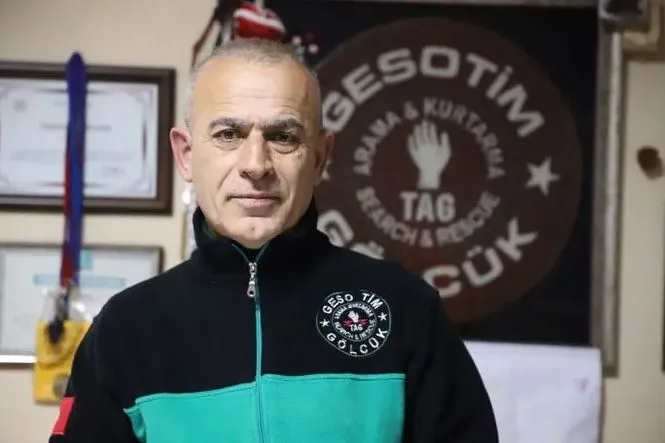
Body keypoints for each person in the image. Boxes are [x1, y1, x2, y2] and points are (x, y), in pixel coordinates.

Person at [48, 38, 499, 443]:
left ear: (319, 158)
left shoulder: (406, 309)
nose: (256, 165)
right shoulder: (126, 328)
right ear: (186, 154)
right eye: (228, 134)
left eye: (283, 137)